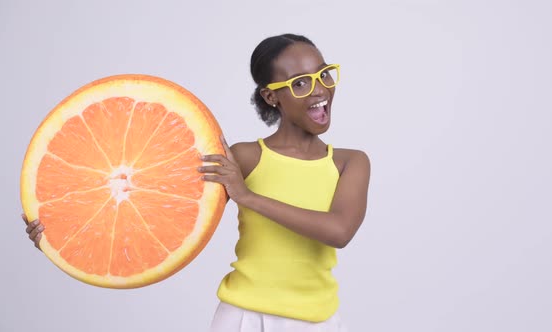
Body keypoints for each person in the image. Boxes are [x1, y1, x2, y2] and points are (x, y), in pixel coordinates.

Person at [23, 33, 370, 332]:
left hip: (318, 321)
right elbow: (152, 207)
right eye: (300, 82)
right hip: (241, 317)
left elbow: (339, 231)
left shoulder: (350, 162)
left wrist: (247, 196)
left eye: (324, 75)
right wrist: (61, 237)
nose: (320, 89)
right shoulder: (244, 157)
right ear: (271, 96)